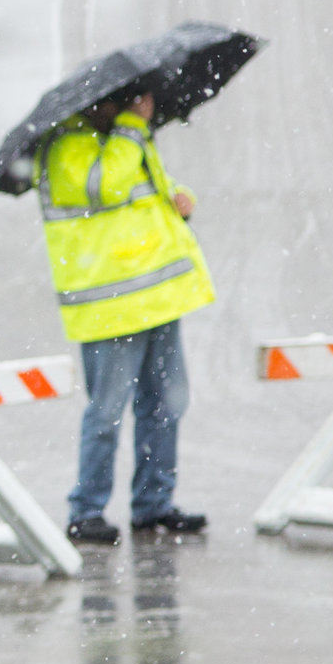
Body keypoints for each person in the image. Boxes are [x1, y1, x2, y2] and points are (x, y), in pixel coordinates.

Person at [36, 85, 214, 547]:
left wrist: (180, 199)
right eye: (122, 101)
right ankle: (86, 511)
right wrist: (133, 127)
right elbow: (107, 184)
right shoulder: (68, 146)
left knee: (166, 405)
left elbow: (145, 194)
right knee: (108, 413)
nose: (134, 107)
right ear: (92, 103)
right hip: (110, 309)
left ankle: (154, 505)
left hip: (156, 299)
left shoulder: (123, 140)